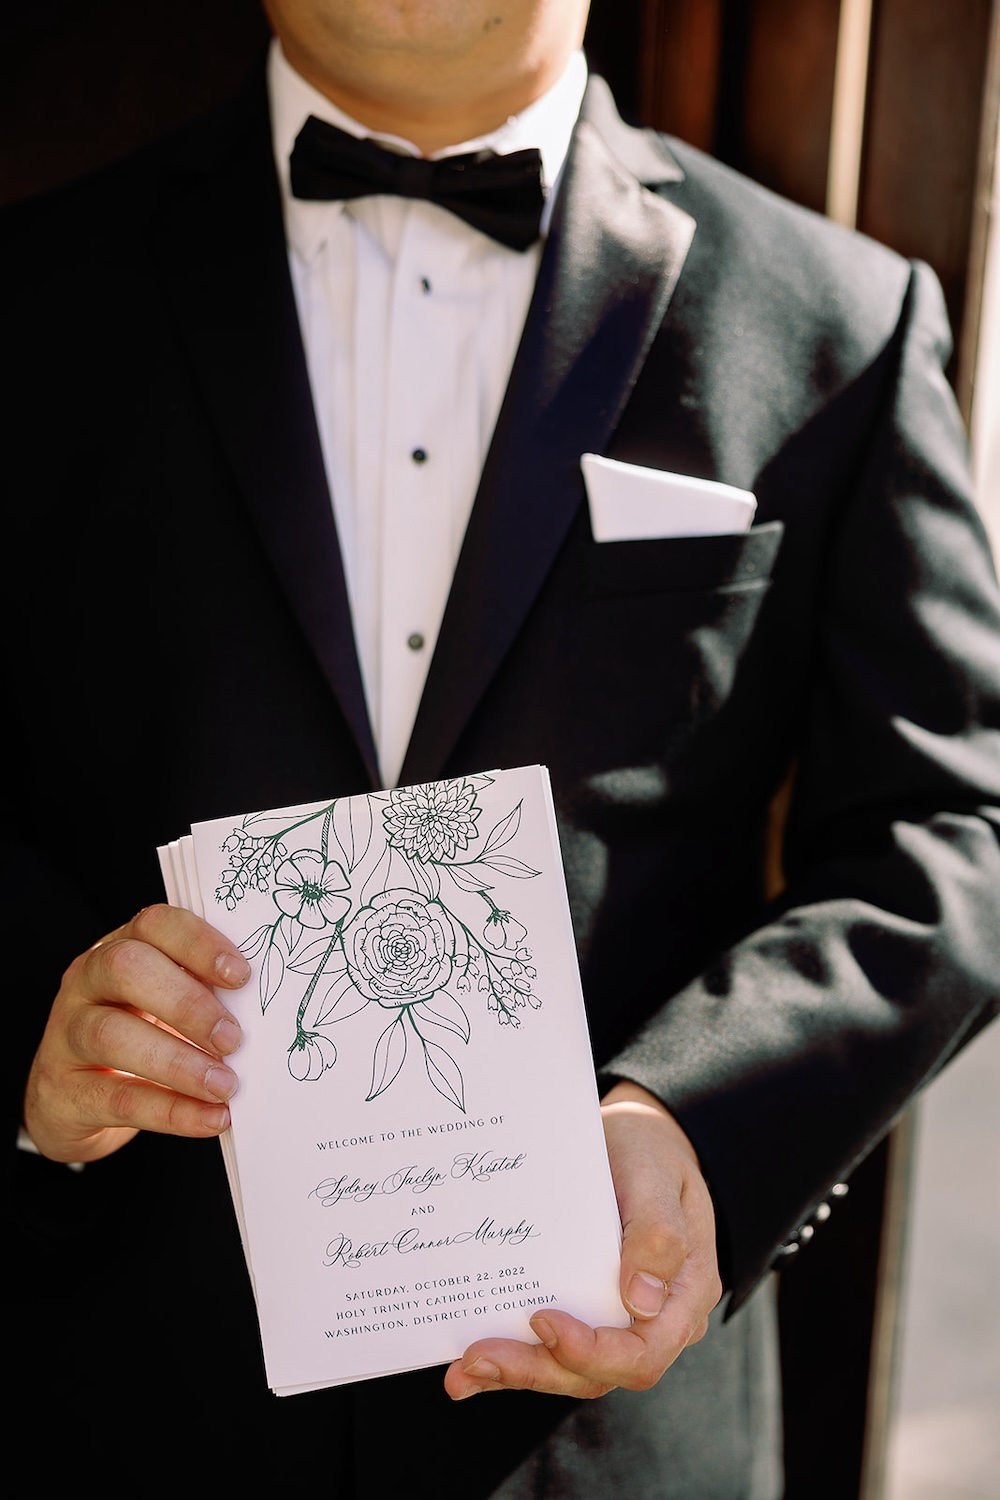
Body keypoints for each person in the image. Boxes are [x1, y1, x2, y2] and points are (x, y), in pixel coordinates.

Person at [6, 2, 999, 1495]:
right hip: (116, 1398)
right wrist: (29, 1044)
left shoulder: (843, 322)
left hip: (606, 1430)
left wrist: (696, 1116)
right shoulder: (28, 304)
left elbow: (951, 831)